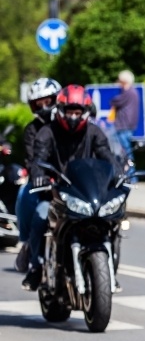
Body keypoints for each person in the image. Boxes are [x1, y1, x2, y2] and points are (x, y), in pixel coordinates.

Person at [22, 85, 121, 290]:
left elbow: (106, 154)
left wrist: (118, 173)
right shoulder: (46, 132)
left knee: (113, 220)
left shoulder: (94, 132)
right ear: (60, 110)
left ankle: (110, 270)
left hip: (86, 192)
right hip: (55, 193)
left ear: (85, 112)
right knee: (41, 216)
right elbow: (37, 160)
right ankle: (36, 266)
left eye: (77, 112)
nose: (73, 117)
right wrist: (39, 177)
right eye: (69, 112)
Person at [14, 78, 62, 273]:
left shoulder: (66, 124)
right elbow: (32, 159)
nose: (44, 106)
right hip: (43, 181)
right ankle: (26, 244)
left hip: (70, 181)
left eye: (48, 101)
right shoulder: (32, 130)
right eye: (38, 103)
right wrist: (39, 176)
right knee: (24, 196)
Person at [110, 70, 140, 176]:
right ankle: (129, 173)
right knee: (126, 151)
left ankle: (130, 174)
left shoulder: (128, 92)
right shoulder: (134, 92)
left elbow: (115, 101)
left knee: (125, 152)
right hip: (127, 126)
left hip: (123, 126)